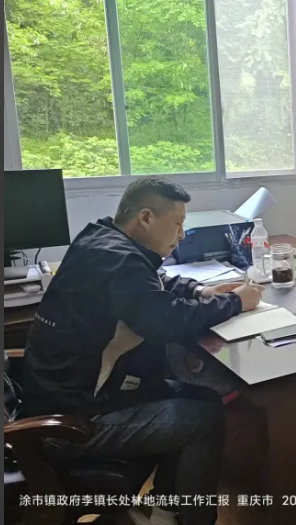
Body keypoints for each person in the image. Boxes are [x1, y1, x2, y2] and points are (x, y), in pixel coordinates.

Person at [20, 177, 264, 525]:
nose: (181, 235)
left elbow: (151, 285)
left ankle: (161, 512)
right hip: (72, 424)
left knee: (204, 397)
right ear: (146, 217)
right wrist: (235, 303)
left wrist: (200, 291)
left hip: (69, 398)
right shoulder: (119, 260)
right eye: (177, 224)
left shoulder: (101, 240)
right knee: (202, 420)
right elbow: (167, 321)